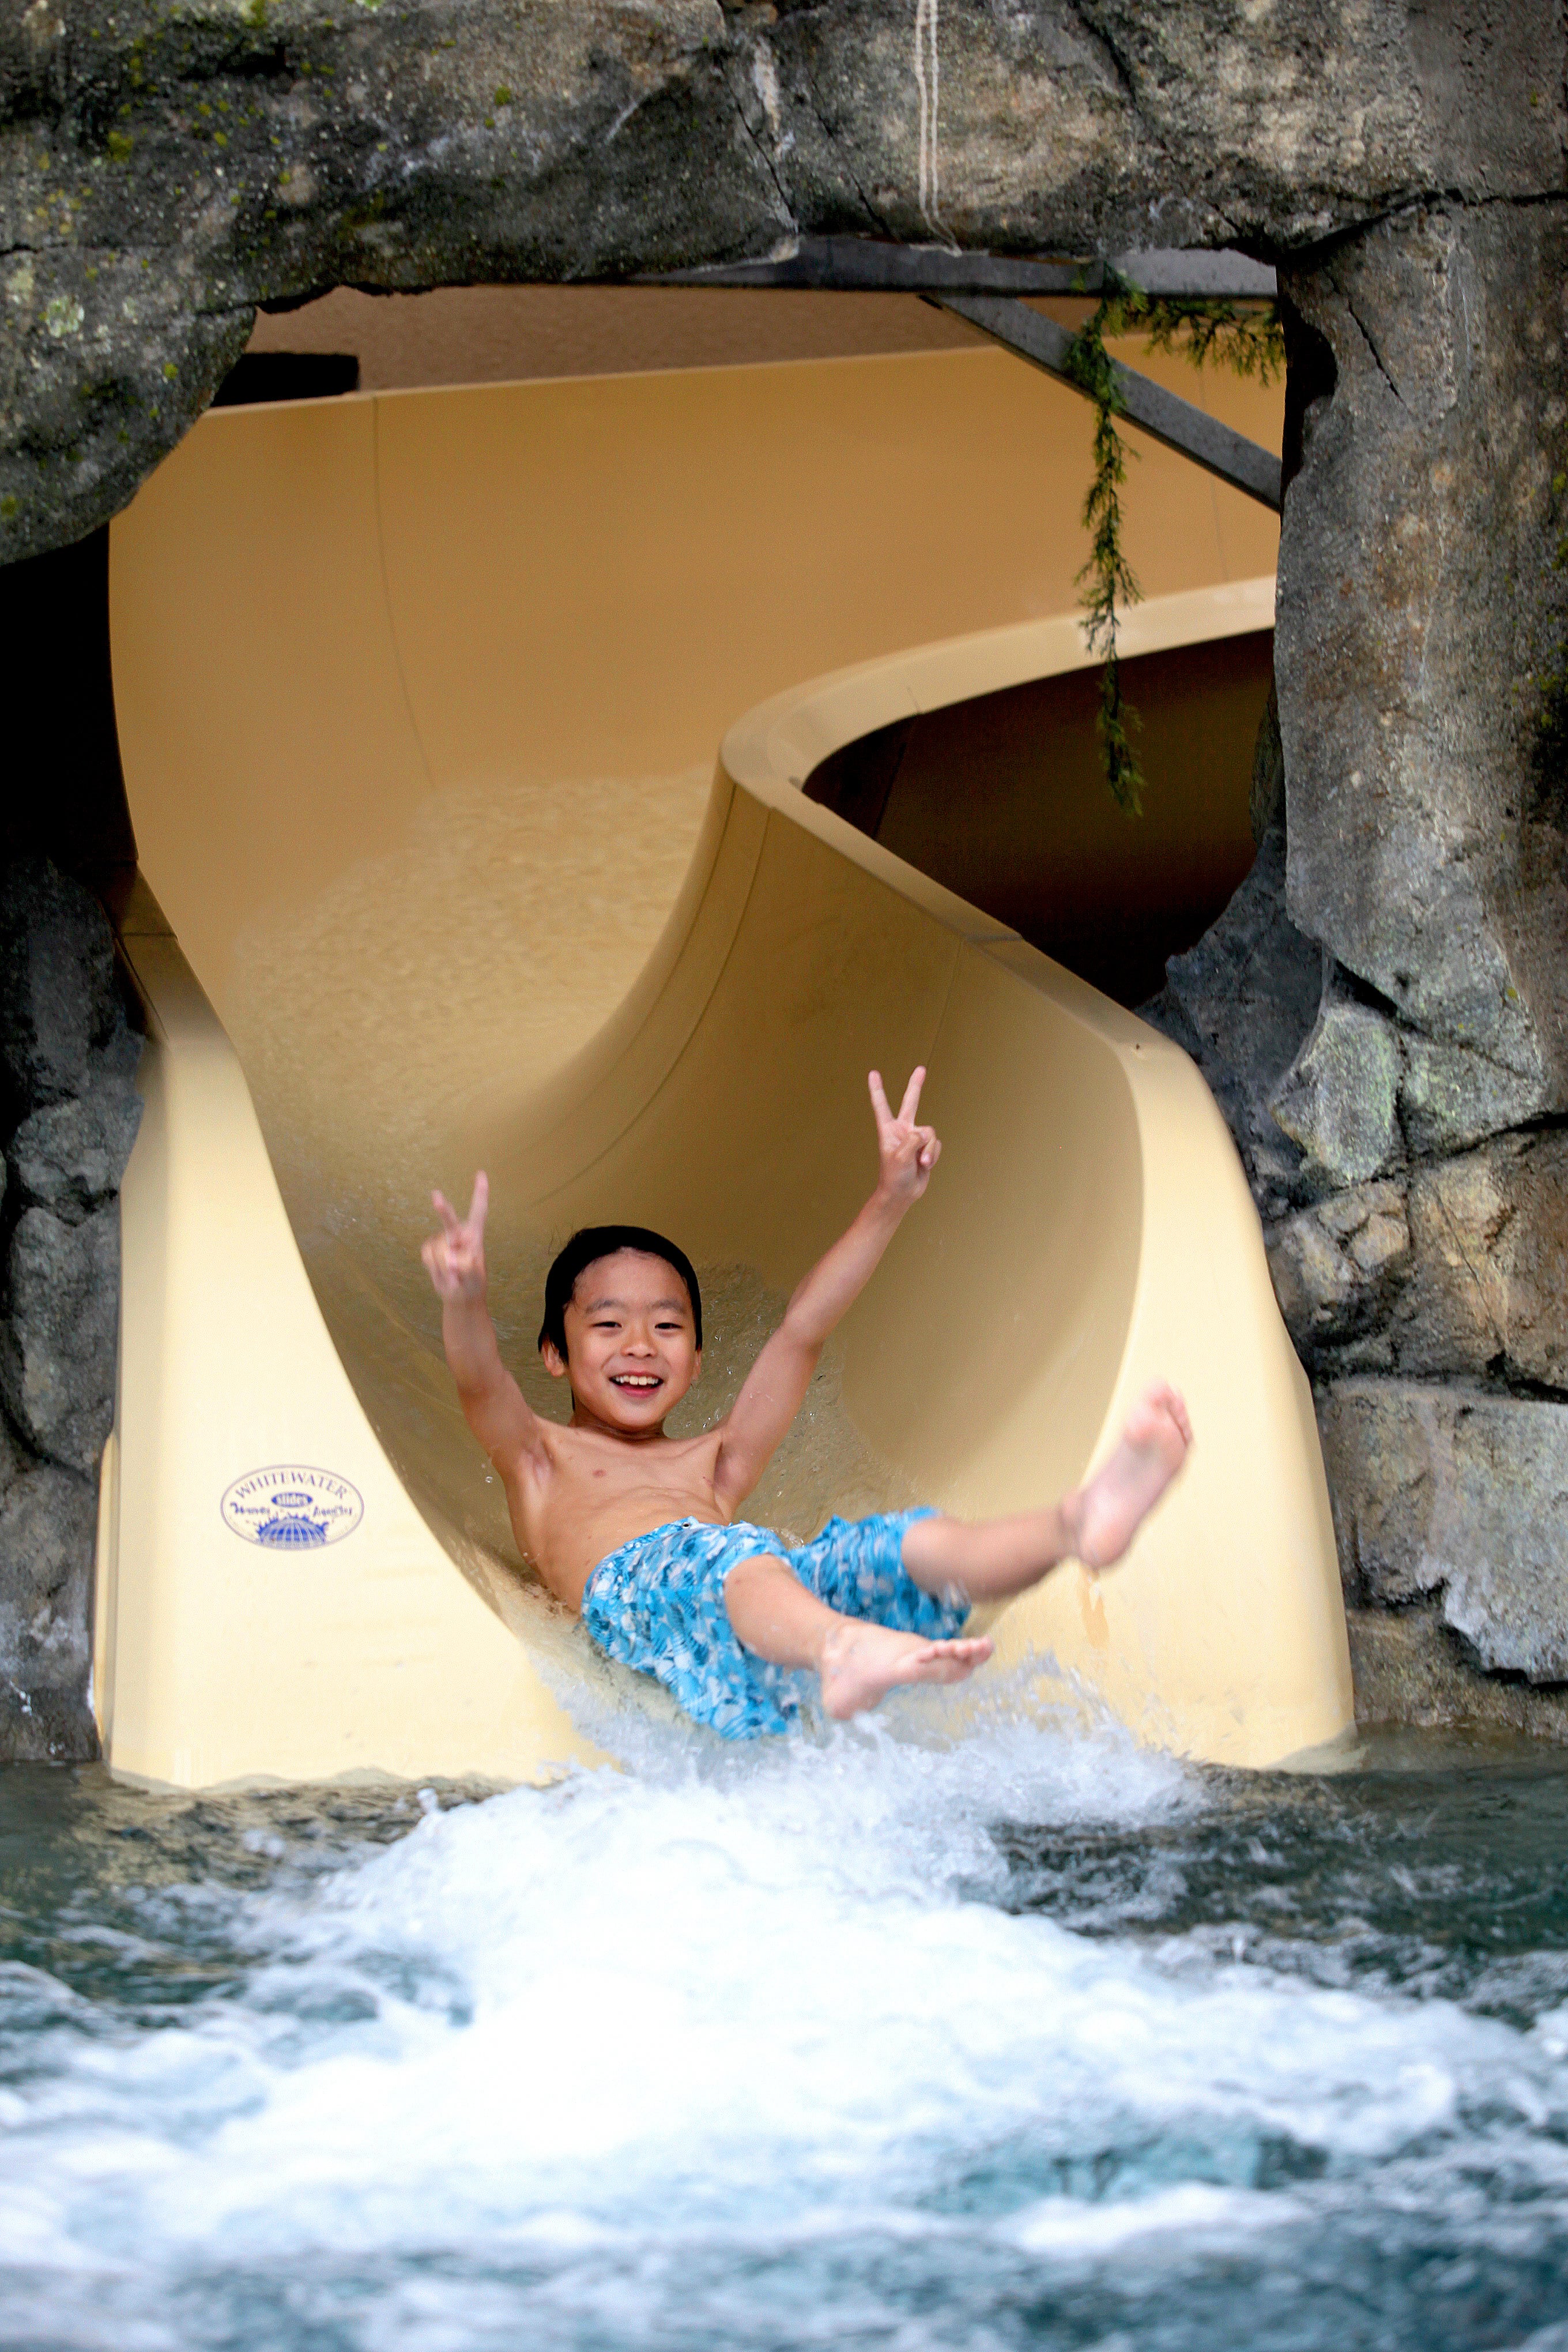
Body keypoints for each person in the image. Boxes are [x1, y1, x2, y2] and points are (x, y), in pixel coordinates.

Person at [420, 1068, 1191, 1740]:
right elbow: (481, 1382)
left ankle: (1074, 1526)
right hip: (642, 1602)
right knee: (734, 1557)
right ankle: (839, 1648)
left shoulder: (714, 1466)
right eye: (608, 1326)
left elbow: (802, 1331)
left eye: (666, 1326)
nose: (641, 1346)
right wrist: (464, 1298)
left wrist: (890, 1200)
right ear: (554, 1355)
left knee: (898, 1546)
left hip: (756, 1588)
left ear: (696, 1358)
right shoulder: (539, 1458)